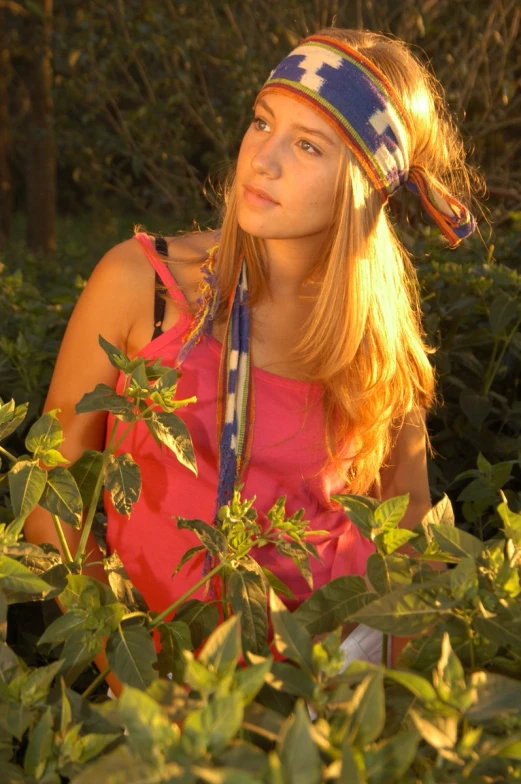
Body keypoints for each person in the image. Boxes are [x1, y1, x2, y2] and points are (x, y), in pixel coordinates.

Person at [24, 27, 478, 694]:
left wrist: (396, 704)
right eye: (262, 122)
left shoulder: (376, 337)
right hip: (165, 689)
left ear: (362, 187)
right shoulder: (143, 287)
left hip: (333, 676)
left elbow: (408, 527)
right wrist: (132, 678)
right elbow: (49, 501)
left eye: (306, 145)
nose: (261, 159)